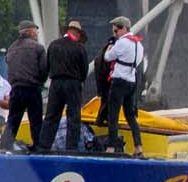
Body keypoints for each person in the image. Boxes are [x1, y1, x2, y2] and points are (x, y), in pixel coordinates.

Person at [38, 20, 92, 153]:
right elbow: (84, 69)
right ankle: (71, 148)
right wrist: (80, 80)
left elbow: (47, 66)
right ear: (77, 34)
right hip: (73, 83)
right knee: (73, 116)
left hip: (56, 83)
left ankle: (44, 146)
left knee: (51, 116)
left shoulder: (53, 45)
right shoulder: (79, 47)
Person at [97, 15, 146, 156]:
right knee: (130, 115)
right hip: (132, 81)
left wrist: (110, 48)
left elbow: (107, 57)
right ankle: (138, 146)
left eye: (115, 31)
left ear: (123, 29)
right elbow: (137, 63)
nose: (115, 34)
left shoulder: (122, 43)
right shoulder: (139, 45)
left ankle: (111, 147)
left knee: (113, 115)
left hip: (119, 81)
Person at [1, 21, 47, 151]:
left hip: (15, 88)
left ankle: (5, 145)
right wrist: (40, 82)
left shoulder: (11, 48)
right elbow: (44, 68)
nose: (37, 34)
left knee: (13, 118)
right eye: (36, 31)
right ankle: (38, 147)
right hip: (32, 88)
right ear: (31, 32)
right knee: (35, 119)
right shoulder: (38, 48)